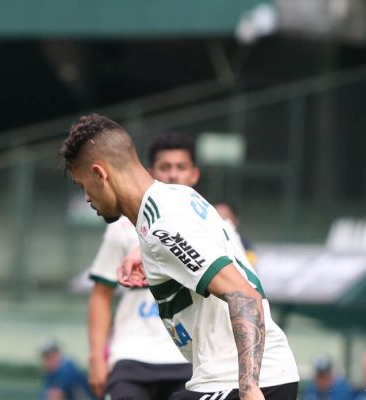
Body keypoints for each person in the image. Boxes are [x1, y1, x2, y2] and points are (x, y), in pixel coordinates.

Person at [59, 114, 299, 399]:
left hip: (243, 382)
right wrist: (144, 252)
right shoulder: (176, 197)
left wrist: (249, 388)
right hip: (233, 377)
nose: (87, 198)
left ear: (100, 174)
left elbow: (243, 295)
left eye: (82, 185)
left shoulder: (164, 227)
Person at [86, 133, 202, 399]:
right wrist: (96, 357)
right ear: (151, 173)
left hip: (192, 360)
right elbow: (101, 295)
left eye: (180, 167)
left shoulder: (211, 225)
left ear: (194, 174)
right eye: (165, 167)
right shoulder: (124, 227)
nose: (173, 175)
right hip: (132, 357)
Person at [214, 202, 257, 266]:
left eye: (224, 218)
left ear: (235, 220)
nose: (221, 222)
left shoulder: (243, 243)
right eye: (216, 217)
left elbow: (251, 264)